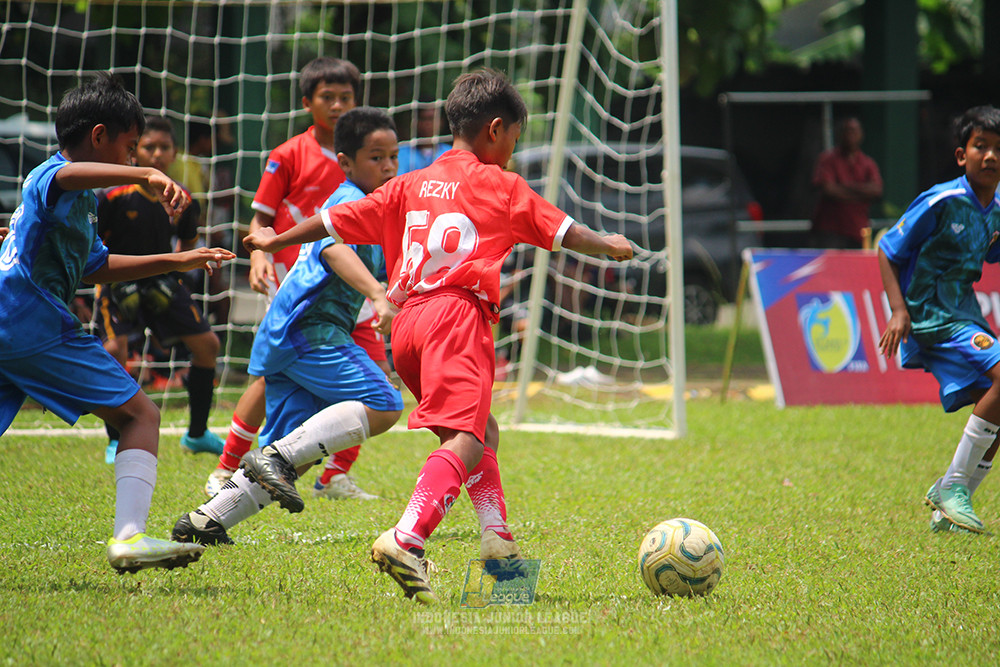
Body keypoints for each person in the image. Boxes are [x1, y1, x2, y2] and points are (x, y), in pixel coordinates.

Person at [241, 68, 634, 604]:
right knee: (466, 439)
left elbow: (331, 221)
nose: (514, 153)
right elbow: (564, 231)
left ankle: (499, 545)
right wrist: (608, 243)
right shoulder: (500, 184)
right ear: (496, 129)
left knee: (481, 430)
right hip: (456, 318)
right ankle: (407, 538)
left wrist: (273, 236)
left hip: (407, 330)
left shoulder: (409, 183)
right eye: (515, 141)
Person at [0, 72, 235, 572]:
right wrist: (144, 176)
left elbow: (98, 267)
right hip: (30, 322)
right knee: (141, 415)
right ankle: (129, 538)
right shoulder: (51, 175)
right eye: (131, 148)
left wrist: (176, 261)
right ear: (99, 136)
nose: (136, 159)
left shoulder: (83, 204)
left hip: (12, 325)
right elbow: (64, 178)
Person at [171, 107, 403, 545]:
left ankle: (204, 522)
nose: (388, 166)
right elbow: (334, 251)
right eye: (377, 157)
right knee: (385, 403)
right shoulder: (347, 199)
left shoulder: (377, 208)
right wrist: (375, 294)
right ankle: (256, 462)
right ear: (347, 163)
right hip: (307, 332)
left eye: (393, 156)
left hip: (292, 337)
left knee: (291, 457)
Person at [206, 57, 380, 501]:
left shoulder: (371, 161)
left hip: (350, 292)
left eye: (346, 97)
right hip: (297, 287)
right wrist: (258, 258)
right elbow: (261, 218)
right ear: (307, 102)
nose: (338, 104)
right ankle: (225, 469)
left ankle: (333, 474)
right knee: (270, 379)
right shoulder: (289, 155)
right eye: (328, 97)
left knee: (373, 374)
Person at [878, 105, 1000, 535]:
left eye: (998, 149)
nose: (990, 157)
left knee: (998, 403)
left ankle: (949, 506)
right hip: (933, 316)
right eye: (980, 146)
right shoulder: (941, 200)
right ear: (960, 155)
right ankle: (953, 489)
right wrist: (898, 310)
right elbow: (887, 249)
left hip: (964, 315)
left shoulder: (997, 209)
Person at [95, 115, 227, 458]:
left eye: (164, 147)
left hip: (163, 282)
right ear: (135, 153)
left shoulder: (184, 200)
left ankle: (197, 433)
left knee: (208, 345)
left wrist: (178, 279)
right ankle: (115, 437)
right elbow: (93, 247)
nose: (157, 154)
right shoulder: (112, 197)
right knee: (114, 352)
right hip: (117, 281)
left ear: (174, 153)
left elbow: (187, 248)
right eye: (148, 147)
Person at [810, 117, 883, 249]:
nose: (851, 135)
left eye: (854, 131)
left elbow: (877, 190)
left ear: (861, 134)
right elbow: (829, 190)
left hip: (857, 229)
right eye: (847, 131)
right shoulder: (827, 159)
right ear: (840, 134)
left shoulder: (867, 163)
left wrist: (844, 187)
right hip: (830, 230)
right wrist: (861, 193)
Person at [396, 103, 451, 174]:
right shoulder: (400, 153)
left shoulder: (450, 152)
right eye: (423, 119)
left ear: (441, 122)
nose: (427, 124)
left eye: (431, 118)